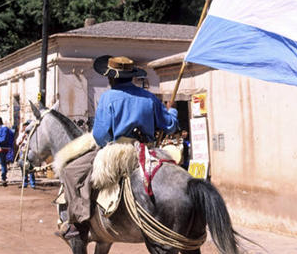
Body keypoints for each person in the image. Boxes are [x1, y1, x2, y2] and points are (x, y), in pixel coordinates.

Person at [58, 55, 179, 238]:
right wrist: (173, 110)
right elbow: (170, 126)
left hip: (117, 152)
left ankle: (78, 221)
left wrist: (108, 140)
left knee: (70, 172)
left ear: (111, 78)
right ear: (132, 76)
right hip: (146, 150)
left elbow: (100, 136)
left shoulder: (108, 98)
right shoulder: (150, 97)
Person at [16, 121, 36, 189]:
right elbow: (17, 143)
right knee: (23, 167)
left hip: (30, 152)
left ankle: (32, 183)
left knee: (30, 167)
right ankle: (25, 183)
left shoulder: (32, 134)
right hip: (22, 152)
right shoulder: (21, 135)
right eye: (24, 127)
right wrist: (22, 139)